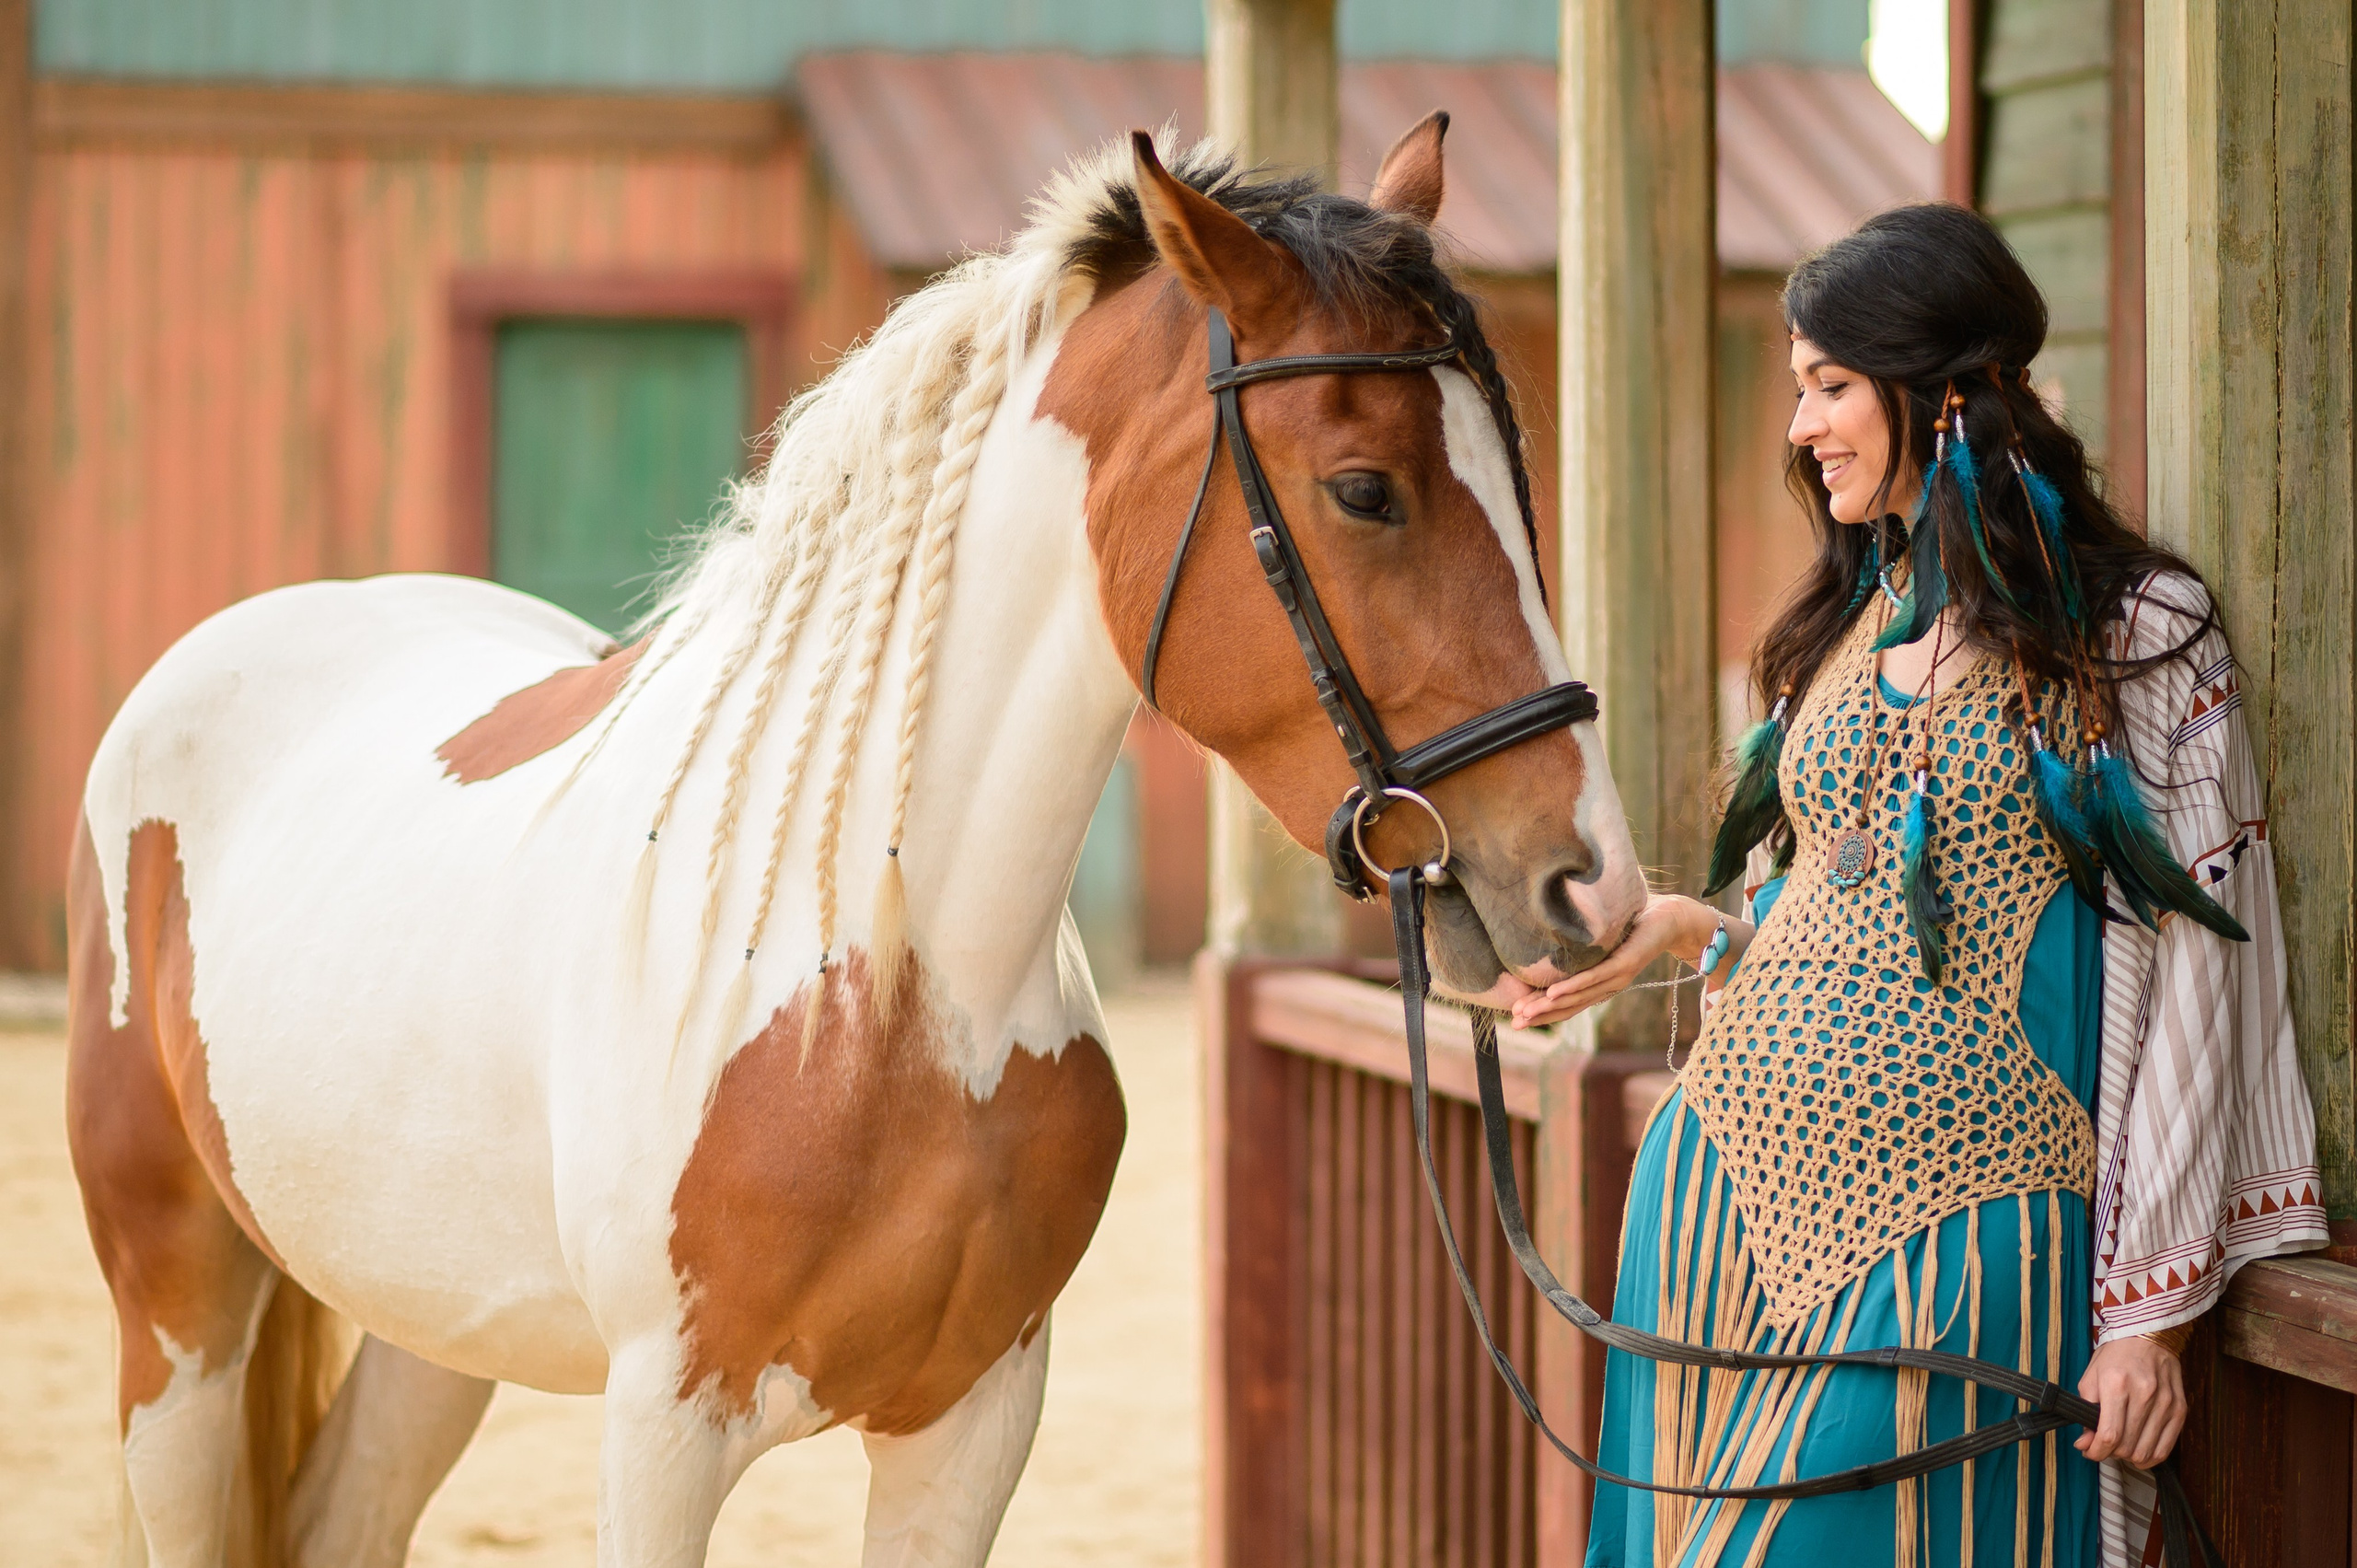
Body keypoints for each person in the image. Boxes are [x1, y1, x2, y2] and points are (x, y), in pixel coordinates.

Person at [1506, 203, 2326, 1567]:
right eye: (1799, 388)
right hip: (1719, 1205)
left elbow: (2205, 965)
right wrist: (1688, 929)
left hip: (1959, 1225)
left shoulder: (2136, 631)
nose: (1801, 427)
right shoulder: (1851, 622)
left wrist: (2153, 1319)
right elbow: (1845, 912)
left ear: (1942, 388)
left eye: (1829, 385)